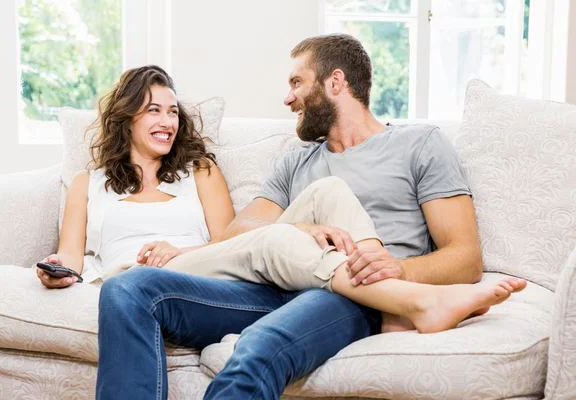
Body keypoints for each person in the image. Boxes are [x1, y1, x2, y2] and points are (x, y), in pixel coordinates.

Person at [95, 34, 526, 400]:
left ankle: (404, 301)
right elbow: (239, 233)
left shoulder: (419, 145)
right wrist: (297, 229)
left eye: (296, 82)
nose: (287, 97)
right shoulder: (296, 162)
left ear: (335, 82)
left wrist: (395, 269)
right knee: (125, 289)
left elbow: (466, 258)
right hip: (270, 287)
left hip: (351, 295)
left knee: (257, 350)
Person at [35, 65, 235, 289]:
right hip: (126, 287)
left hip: (192, 280)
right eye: (153, 110)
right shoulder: (86, 183)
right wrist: (56, 269)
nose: (168, 122)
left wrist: (179, 254)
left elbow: (231, 244)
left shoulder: (200, 171)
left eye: (173, 112)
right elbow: (70, 256)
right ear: (128, 119)